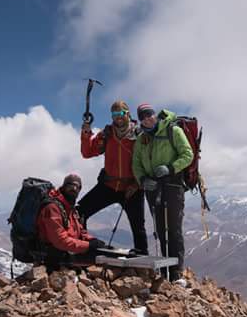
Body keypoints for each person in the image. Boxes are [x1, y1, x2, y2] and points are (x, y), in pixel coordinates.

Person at [78, 100, 148, 254]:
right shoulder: (107, 134)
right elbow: (87, 152)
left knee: (138, 227)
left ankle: (142, 260)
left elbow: (147, 161)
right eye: (114, 114)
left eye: (121, 113)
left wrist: (137, 184)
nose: (118, 117)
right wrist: (86, 133)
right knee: (80, 211)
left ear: (127, 113)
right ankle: (84, 249)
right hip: (108, 185)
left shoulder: (139, 134)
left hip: (132, 188)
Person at [132, 103, 194, 278]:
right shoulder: (141, 139)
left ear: (155, 114)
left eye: (149, 114)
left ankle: (176, 272)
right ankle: (165, 271)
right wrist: (143, 180)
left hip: (173, 185)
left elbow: (187, 154)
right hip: (153, 188)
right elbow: (136, 164)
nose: (147, 119)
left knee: (173, 229)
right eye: (142, 117)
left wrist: (171, 168)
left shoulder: (172, 131)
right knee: (160, 229)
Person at [37, 173, 105, 271]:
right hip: (52, 255)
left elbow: (80, 232)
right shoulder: (52, 208)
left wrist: (93, 241)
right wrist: (89, 246)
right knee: (101, 260)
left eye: (78, 187)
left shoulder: (70, 208)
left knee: (103, 253)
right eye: (71, 185)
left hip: (67, 251)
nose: (74, 188)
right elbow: (60, 241)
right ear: (64, 186)